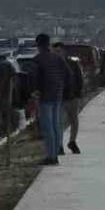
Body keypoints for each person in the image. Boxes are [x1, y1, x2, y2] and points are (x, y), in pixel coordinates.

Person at [28, 34, 67, 165]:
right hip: (58, 95)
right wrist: (61, 86)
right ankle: (56, 152)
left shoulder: (37, 60)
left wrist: (35, 91)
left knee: (48, 127)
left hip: (45, 96)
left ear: (38, 45)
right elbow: (68, 74)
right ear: (49, 43)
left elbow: (33, 78)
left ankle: (51, 157)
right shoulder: (58, 58)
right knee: (56, 125)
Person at [57, 44, 84, 154]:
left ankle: (72, 141)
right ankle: (59, 145)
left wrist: (78, 93)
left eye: (59, 51)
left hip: (72, 96)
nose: (58, 54)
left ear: (64, 51)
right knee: (60, 122)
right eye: (55, 52)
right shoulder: (54, 64)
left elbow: (79, 79)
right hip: (59, 98)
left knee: (74, 120)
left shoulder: (73, 63)